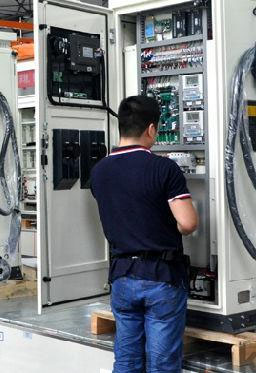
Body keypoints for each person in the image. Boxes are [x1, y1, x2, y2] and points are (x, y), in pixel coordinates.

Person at [90, 96, 198, 373]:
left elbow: (125, 212)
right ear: (151, 129)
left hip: (122, 277)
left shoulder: (99, 171)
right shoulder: (164, 168)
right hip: (161, 278)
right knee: (162, 365)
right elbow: (188, 223)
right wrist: (168, 226)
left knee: (127, 361)